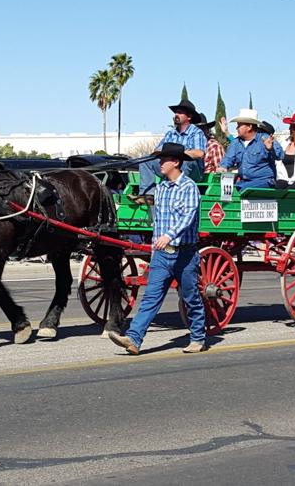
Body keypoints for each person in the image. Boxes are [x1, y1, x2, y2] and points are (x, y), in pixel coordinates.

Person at [108, 143, 207, 355]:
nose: (160, 164)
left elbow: (188, 218)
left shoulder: (188, 187)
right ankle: (134, 339)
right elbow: (159, 221)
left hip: (185, 254)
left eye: (164, 160)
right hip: (162, 255)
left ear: (176, 162)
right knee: (151, 298)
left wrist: (168, 236)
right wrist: (156, 246)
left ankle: (198, 337)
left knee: (190, 297)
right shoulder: (161, 188)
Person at [130, 99, 207, 204]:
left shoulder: (196, 132)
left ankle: (177, 191)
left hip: (194, 172)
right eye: (176, 112)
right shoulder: (171, 133)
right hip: (172, 166)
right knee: (145, 160)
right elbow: (157, 150)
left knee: (185, 161)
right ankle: (149, 195)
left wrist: (179, 153)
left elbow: (200, 153)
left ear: (189, 117)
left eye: (180, 112)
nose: (176, 114)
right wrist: (165, 153)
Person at [216, 109, 284, 189]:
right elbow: (228, 159)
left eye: (239, 125)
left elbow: (281, 155)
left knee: (239, 189)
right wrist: (223, 167)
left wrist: (270, 149)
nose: (236, 128)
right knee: (227, 189)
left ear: (249, 127)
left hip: (264, 181)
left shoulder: (265, 139)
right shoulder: (236, 143)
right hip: (244, 182)